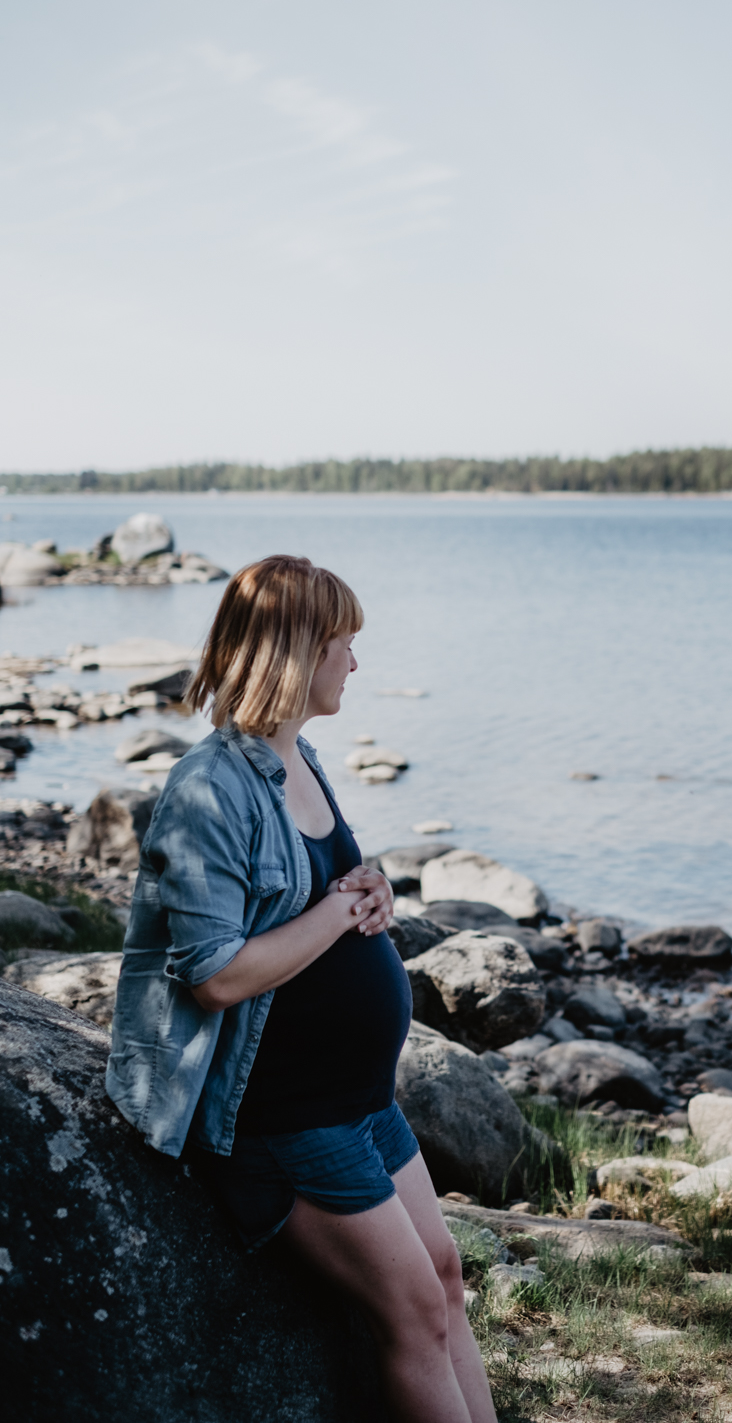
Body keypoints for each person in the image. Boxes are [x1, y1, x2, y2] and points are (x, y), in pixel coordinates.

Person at [107, 554, 496, 1423]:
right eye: (343, 644)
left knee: (446, 1280)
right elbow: (214, 976)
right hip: (286, 1119)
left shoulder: (301, 759)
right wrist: (334, 913)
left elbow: (332, 886)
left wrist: (374, 893)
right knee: (414, 1314)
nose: (355, 664)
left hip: (360, 1104)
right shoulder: (208, 790)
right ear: (294, 652)